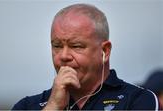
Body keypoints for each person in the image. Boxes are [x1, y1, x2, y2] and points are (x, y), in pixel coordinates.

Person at [12, 3, 160, 110]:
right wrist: (54, 106)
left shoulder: (137, 99)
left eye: (76, 46)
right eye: (57, 46)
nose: (64, 56)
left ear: (105, 51)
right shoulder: (26, 106)